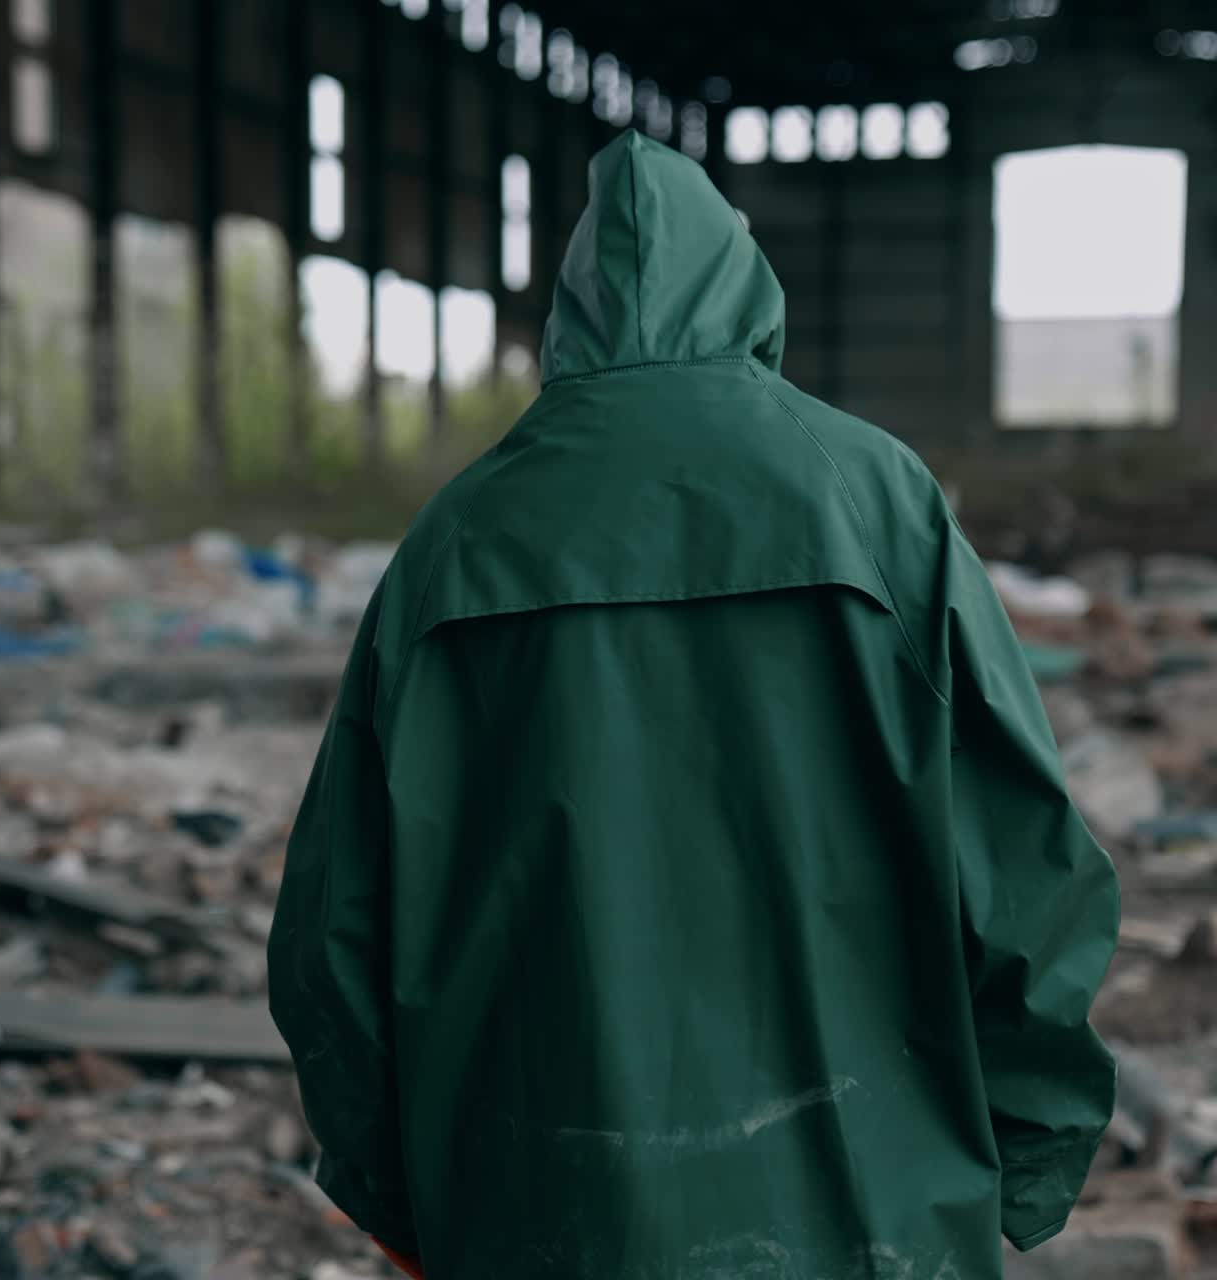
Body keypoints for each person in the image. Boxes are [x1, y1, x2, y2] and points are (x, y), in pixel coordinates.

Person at [268, 129, 1118, 1280]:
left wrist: (397, 1190)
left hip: (539, 1215)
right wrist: (1024, 1146)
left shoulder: (456, 540)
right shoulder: (876, 500)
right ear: (743, 293)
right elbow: (1022, 867)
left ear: (565, 322)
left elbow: (336, 925)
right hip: (871, 1209)